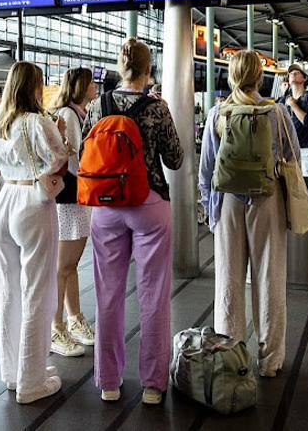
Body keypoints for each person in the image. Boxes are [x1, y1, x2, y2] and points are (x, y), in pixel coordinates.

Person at [83, 38, 183, 405]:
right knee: (153, 294)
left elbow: (84, 151)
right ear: (149, 69)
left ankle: (109, 381)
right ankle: (153, 385)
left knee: (108, 294)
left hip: (105, 207)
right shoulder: (157, 108)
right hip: (148, 204)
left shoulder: (97, 105)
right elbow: (175, 159)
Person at [199, 50, 300, 378]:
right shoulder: (278, 113)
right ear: (260, 77)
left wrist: (211, 211)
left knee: (228, 279)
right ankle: (270, 360)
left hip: (228, 202)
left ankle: (230, 357)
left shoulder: (218, 113)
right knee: (270, 278)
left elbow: (206, 170)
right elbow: (292, 157)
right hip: (267, 199)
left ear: (230, 77)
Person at [0, 62, 68, 404]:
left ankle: (13, 371)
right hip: (33, 201)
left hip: (5, 201)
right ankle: (32, 381)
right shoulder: (37, 121)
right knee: (38, 291)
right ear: (34, 87)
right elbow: (60, 158)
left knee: (9, 291)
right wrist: (60, 132)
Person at [48, 68, 97, 358]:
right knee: (63, 266)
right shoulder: (68, 115)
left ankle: (74, 318)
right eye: (91, 82)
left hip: (75, 196)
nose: (95, 86)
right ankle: (56, 327)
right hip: (68, 197)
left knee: (70, 264)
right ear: (81, 86)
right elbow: (73, 157)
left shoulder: (77, 113)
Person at [279, 63, 308, 177]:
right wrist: (285, 95)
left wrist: (293, 104)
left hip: (306, 149)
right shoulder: (283, 100)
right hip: (289, 150)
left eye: (297, 73)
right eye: (291, 74)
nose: (293, 74)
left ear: (304, 78)